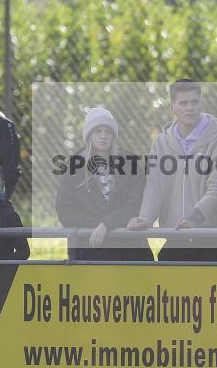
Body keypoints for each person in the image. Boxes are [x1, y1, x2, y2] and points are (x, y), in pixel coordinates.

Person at [127, 80, 217, 263]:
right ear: (172, 107)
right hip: (176, 237)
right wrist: (145, 218)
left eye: (195, 102)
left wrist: (195, 218)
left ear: (201, 103)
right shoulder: (161, 143)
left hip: (214, 239)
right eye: (183, 103)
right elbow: (155, 187)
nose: (190, 108)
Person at [55, 107, 153, 262]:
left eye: (108, 131)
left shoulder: (130, 163)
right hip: (90, 249)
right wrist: (97, 225)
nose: (103, 136)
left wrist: (107, 224)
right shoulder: (75, 167)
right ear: (89, 135)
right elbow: (65, 209)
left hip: (128, 251)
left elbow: (136, 204)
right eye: (97, 131)